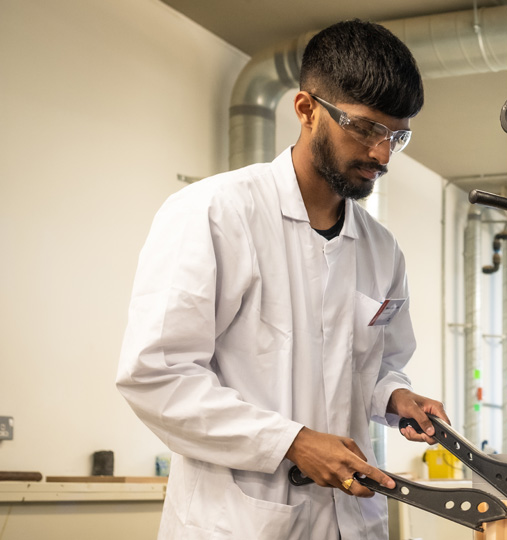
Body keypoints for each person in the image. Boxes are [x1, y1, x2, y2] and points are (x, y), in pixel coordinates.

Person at [116, 20, 448, 540]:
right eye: (365, 128)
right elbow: (158, 376)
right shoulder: (213, 213)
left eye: (396, 135)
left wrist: (394, 397)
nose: (382, 155)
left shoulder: (383, 250)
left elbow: (377, 366)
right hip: (241, 522)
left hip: (351, 522)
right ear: (306, 109)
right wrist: (292, 442)